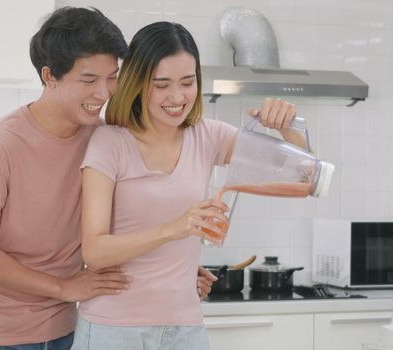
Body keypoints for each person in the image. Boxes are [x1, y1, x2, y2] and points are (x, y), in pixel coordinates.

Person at [0, 8, 216, 350]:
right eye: (89, 80)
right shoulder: (0, 144)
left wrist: (169, 274)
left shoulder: (102, 139)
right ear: (50, 76)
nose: (104, 93)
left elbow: (114, 232)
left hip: (64, 330)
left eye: (112, 77)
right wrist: (63, 288)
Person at [73, 21, 306, 349]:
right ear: (138, 83)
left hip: (185, 329)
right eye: (162, 84)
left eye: (187, 82)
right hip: (114, 330)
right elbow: (95, 252)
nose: (177, 97)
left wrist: (289, 126)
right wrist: (175, 228)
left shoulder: (209, 136)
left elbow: (302, 176)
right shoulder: (110, 142)